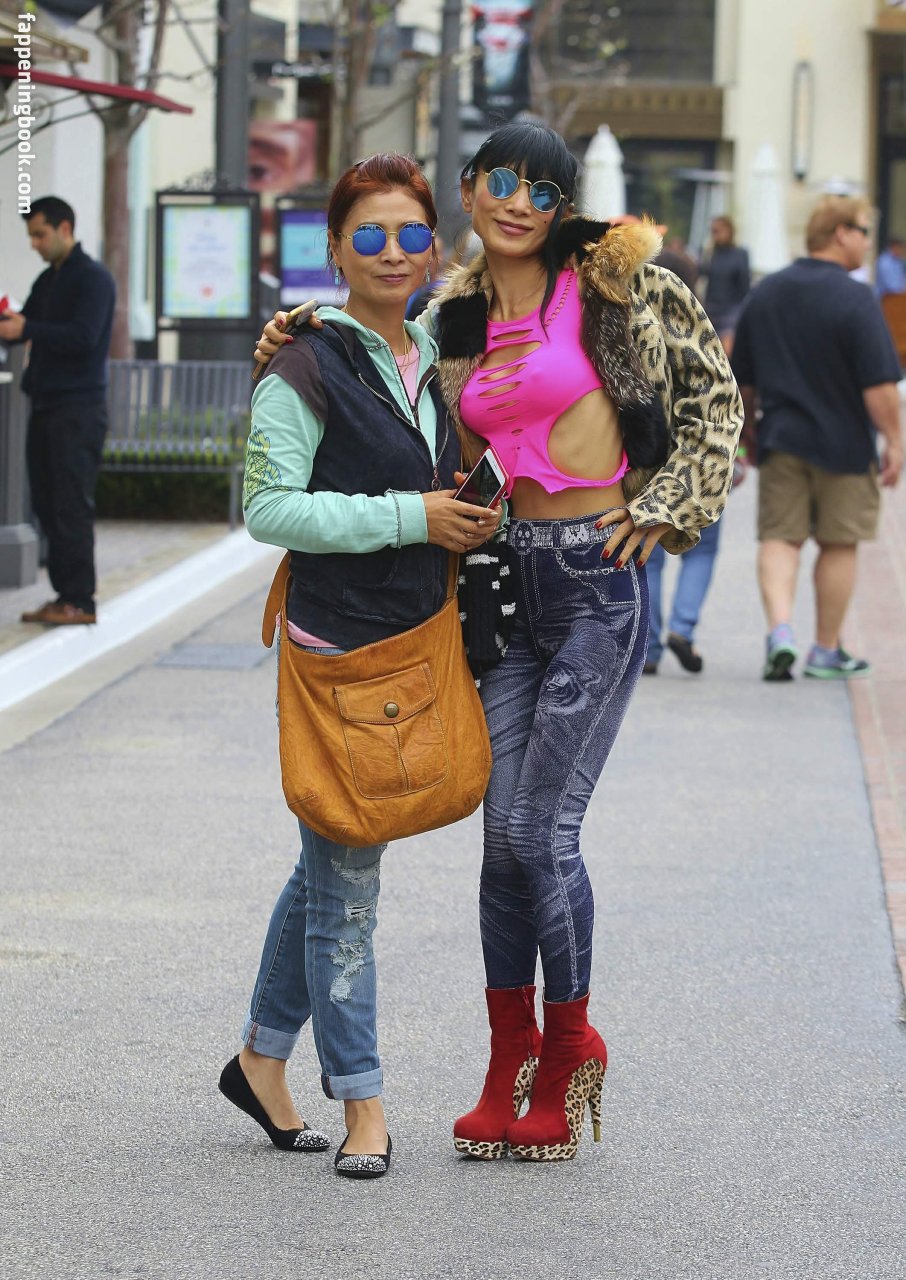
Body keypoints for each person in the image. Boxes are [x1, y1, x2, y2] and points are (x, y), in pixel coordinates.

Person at [255, 121, 743, 1163]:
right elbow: (375, 344)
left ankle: (567, 1050)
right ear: (471, 190)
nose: (521, 202)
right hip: (499, 584)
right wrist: (292, 332)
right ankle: (506, 1057)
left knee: (540, 833)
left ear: (565, 206)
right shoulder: (453, 315)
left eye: (545, 189)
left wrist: (668, 508)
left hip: (595, 583)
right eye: (503, 182)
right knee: (499, 837)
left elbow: (716, 402)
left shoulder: (621, 288)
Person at [221, 154, 501, 1180]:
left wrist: (465, 511)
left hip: (419, 636)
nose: (392, 252)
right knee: (348, 882)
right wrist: (412, 517)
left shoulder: (436, 353)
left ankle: (260, 1058)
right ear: (335, 249)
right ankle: (364, 1102)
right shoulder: (304, 363)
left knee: (330, 852)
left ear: (433, 248)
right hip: (340, 650)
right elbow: (268, 509)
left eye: (410, 234)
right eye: (368, 235)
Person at [731, 194, 904, 681]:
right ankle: (826, 649)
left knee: (780, 538)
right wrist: (895, 440)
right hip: (845, 446)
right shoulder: (855, 297)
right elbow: (879, 386)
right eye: (864, 232)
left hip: (781, 439)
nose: (868, 243)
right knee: (839, 543)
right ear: (841, 234)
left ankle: (780, 631)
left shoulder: (767, 292)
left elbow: (741, 380)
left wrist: (748, 433)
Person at [0, 196, 115, 626]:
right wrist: (12, 324)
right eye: (31, 236)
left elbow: (83, 337)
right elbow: (24, 326)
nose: (34, 244)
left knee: (70, 505)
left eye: (39, 234)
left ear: (64, 228)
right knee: (47, 503)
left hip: (78, 409)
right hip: (46, 404)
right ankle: (63, 594)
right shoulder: (49, 279)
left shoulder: (93, 279)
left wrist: (27, 327)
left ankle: (80, 600)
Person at [701, 215, 750, 355]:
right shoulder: (710, 253)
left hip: (731, 310)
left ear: (729, 231)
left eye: (718, 231)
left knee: (728, 353)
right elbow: (701, 275)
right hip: (711, 308)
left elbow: (744, 284)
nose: (715, 235)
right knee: (710, 353)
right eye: (713, 231)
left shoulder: (740, 254)